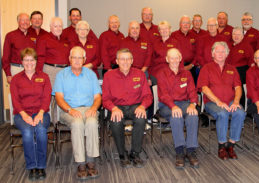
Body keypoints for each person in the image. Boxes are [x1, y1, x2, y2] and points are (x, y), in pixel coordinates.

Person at [53, 46, 101, 180]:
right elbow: (59, 98)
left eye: (80, 57)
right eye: (74, 57)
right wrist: (70, 110)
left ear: (85, 59)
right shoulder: (61, 75)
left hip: (88, 108)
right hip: (68, 110)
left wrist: (93, 108)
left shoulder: (91, 74)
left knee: (92, 122)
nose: (77, 60)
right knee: (77, 123)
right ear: (69, 59)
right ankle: (80, 163)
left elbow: (97, 97)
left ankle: (91, 161)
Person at [102, 48, 153, 168]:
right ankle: (122, 153)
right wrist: (113, 108)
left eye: (128, 59)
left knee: (141, 119)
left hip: (135, 106)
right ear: (117, 61)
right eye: (122, 59)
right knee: (116, 121)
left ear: (132, 61)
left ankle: (135, 153)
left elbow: (147, 96)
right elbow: (105, 98)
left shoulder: (140, 74)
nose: (125, 62)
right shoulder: (109, 76)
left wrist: (142, 106)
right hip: (117, 106)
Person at [197, 41, 246, 160]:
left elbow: (238, 87)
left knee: (240, 112)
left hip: (230, 101)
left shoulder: (232, 69)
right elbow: (204, 88)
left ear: (227, 54)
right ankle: (222, 146)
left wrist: (236, 101)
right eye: (217, 51)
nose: (220, 53)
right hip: (212, 103)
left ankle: (231, 145)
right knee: (222, 113)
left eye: (223, 51)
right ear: (213, 54)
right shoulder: (206, 68)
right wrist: (218, 101)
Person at [10, 48, 51, 181]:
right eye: (26, 60)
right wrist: (25, 116)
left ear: (36, 61)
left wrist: (40, 114)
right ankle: (32, 166)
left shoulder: (44, 77)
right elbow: (15, 101)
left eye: (32, 60)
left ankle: (41, 165)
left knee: (40, 130)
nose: (29, 63)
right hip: (22, 114)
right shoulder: (16, 79)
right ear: (22, 61)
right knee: (27, 132)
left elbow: (46, 99)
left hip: (41, 113)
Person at [157, 48, 199, 169]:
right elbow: (163, 95)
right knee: (176, 117)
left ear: (180, 59)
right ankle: (180, 151)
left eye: (177, 57)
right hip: (167, 105)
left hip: (184, 103)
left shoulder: (186, 73)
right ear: (167, 59)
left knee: (193, 115)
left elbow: (192, 91)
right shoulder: (162, 73)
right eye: (172, 57)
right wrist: (173, 106)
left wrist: (193, 104)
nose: (174, 60)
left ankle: (190, 150)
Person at [2, 13, 35, 84]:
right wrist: (8, 74)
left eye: (27, 20)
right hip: (16, 69)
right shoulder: (10, 36)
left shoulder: (34, 36)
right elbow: (5, 57)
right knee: (15, 94)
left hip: (31, 69)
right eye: (23, 20)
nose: (25, 22)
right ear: (18, 21)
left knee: (31, 93)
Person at [37, 17, 69, 86]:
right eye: (55, 26)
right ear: (51, 27)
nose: (58, 28)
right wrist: (38, 73)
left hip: (64, 72)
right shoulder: (44, 39)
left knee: (62, 95)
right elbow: (40, 57)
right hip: (51, 71)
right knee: (50, 94)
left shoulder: (65, 40)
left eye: (60, 26)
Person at [228, 27, 254, 108]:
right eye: (234, 34)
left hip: (241, 71)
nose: (236, 36)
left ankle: (240, 106)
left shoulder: (247, 46)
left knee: (238, 87)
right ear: (232, 35)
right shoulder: (228, 45)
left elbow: (252, 62)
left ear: (243, 36)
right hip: (228, 71)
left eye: (238, 34)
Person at [171, 16, 197, 81]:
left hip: (191, 66)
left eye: (188, 23)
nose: (185, 25)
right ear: (180, 24)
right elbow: (171, 53)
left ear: (190, 25)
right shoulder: (173, 35)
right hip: (177, 65)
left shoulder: (194, 36)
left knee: (192, 87)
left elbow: (198, 52)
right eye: (184, 23)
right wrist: (181, 66)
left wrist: (191, 65)